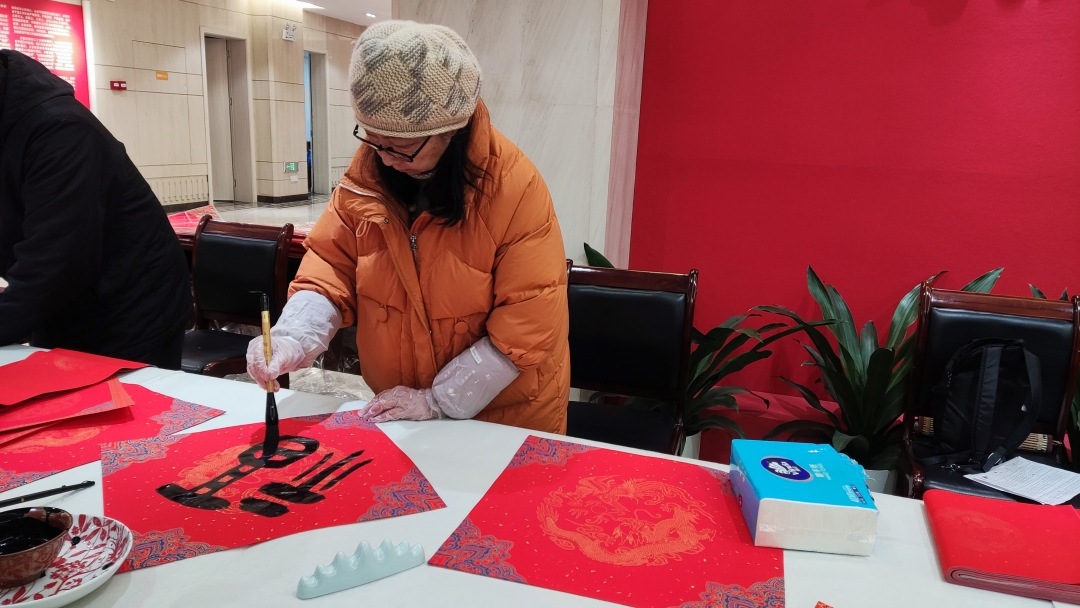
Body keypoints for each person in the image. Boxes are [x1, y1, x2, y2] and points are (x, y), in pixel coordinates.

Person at [246, 20, 570, 433]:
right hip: (402, 413)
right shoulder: (365, 179)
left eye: (401, 147)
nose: (384, 158)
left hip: (505, 414)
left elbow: (528, 322)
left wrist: (438, 400)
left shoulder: (513, 188)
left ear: (450, 131)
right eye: (373, 139)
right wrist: (294, 336)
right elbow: (330, 264)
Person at [0, 50, 193, 369]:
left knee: (117, 398)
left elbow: (58, 259)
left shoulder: (59, 129)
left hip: (130, 307)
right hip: (66, 301)